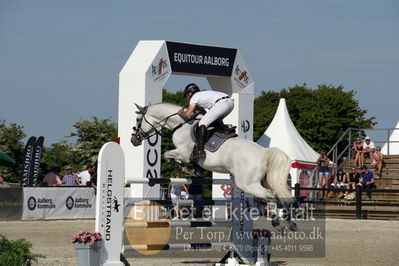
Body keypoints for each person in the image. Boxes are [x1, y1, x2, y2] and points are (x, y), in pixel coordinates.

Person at [178, 83, 234, 161]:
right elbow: (208, 113)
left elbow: (188, 114)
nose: (187, 98)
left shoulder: (194, 97)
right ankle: (225, 129)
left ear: (190, 93)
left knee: (202, 124)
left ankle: (200, 150)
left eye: (186, 95)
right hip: (230, 103)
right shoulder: (203, 95)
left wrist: (181, 112)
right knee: (214, 121)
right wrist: (200, 111)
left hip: (221, 104)